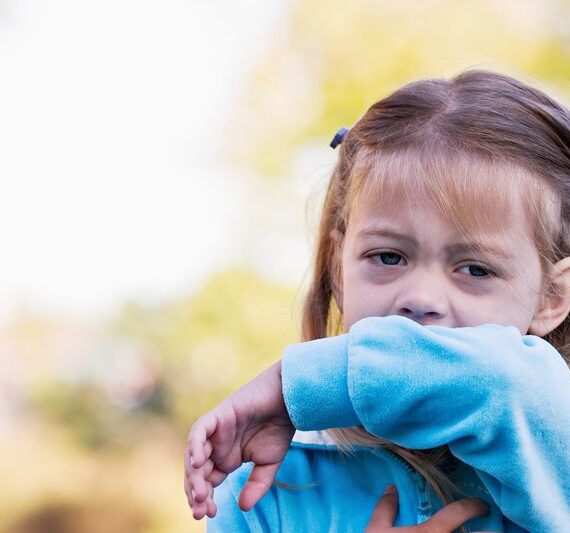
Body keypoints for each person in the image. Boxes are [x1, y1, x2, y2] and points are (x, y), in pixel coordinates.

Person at [184, 69, 570, 532]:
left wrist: (297, 386)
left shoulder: (554, 439)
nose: (421, 298)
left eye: (475, 269)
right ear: (338, 271)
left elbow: (507, 381)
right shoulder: (269, 485)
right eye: (388, 256)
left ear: (551, 297)